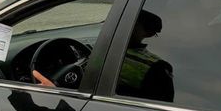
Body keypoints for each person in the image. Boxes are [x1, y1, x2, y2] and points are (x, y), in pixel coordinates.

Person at [33, 10, 174, 103]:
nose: (117, 25)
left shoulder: (157, 69)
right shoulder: (112, 51)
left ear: (147, 32)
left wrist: (56, 96)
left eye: (130, 22)